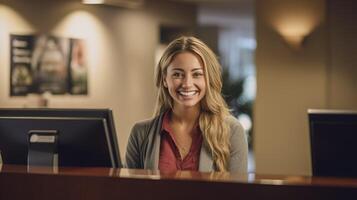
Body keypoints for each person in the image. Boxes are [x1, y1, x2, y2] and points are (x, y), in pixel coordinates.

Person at [125, 36, 248, 173]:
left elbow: (238, 194)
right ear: (165, 79)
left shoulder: (232, 131)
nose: (187, 84)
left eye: (197, 74)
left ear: (208, 79)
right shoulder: (140, 133)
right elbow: (131, 191)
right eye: (177, 74)